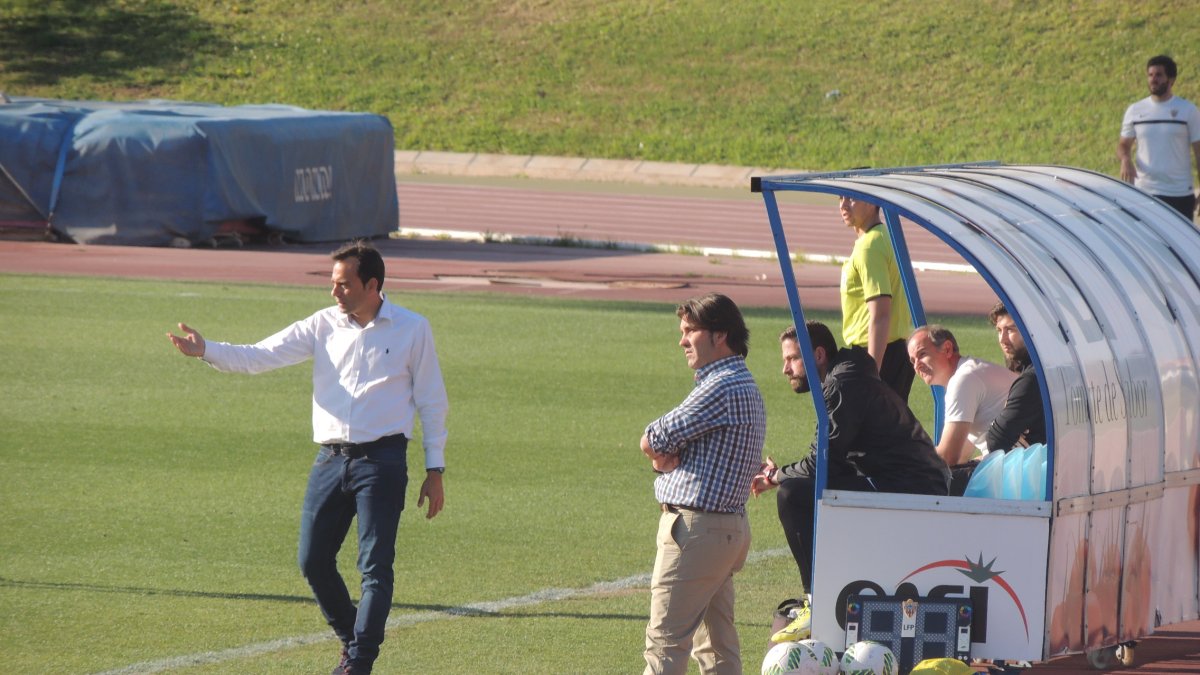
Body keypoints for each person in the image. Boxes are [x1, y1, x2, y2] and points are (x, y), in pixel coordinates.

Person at [166, 240, 449, 675]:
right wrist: (207, 350)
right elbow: (260, 355)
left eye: (343, 284)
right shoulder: (322, 325)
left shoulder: (413, 329)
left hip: (382, 462)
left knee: (375, 568)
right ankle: (352, 640)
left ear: (372, 285)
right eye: (333, 283)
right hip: (330, 461)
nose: (334, 292)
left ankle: (358, 664)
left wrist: (435, 468)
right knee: (312, 561)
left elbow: (432, 401)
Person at [754, 321, 948, 643]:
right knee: (810, 486)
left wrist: (776, 476)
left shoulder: (842, 384)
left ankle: (817, 602)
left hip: (910, 486)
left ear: (818, 355)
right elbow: (829, 460)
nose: (785, 369)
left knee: (793, 495)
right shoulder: (846, 375)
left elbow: (820, 463)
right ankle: (835, 587)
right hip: (906, 479)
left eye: (792, 359)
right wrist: (785, 472)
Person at [640, 292, 766, 675]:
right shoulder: (742, 383)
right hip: (724, 530)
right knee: (717, 647)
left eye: (690, 331)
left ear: (719, 335)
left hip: (697, 531)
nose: (682, 341)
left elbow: (651, 439)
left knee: (665, 644)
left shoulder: (721, 386)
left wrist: (660, 458)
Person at [906, 324, 1016, 495]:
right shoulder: (969, 373)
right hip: (1018, 466)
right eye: (913, 361)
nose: (917, 366)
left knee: (915, 482)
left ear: (947, 349)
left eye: (922, 355)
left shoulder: (963, 380)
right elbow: (960, 457)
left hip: (1015, 474)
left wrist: (904, 462)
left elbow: (947, 457)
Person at [838, 194, 916, 401]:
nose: (843, 205)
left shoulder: (869, 247)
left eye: (851, 198)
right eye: (840, 197)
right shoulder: (884, 237)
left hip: (876, 354)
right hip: (893, 352)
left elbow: (880, 314)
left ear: (872, 202)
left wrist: (872, 373)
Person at [1118, 54, 1200, 220]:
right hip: (1145, 192)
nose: (1153, 80)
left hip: (1179, 193)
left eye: (1159, 75)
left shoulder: (1188, 110)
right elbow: (1123, 145)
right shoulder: (1135, 110)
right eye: (1150, 75)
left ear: (1171, 79)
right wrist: (1125, 159)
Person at [985, 303, 1046, 452]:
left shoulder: (1031, 380)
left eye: (1010, 330)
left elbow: (995, 441)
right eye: (999, 330)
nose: (1002, 339)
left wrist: (1003, 428)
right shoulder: (1050, 368)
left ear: (1031, 331)